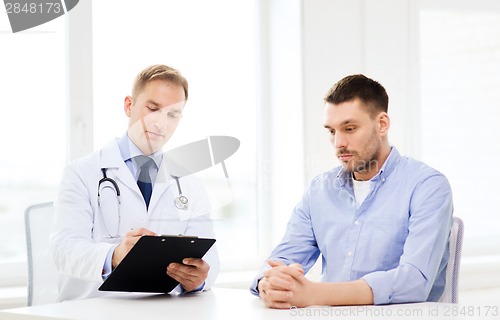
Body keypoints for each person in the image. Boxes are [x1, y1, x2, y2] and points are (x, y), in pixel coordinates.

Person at [250, 74, 453, 308]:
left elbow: (414, 280)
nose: (338, 143)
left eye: (349, 128)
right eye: (332, 131)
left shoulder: (427, 186)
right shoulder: (319, 190)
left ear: (382, 124)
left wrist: (316, 294)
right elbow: (284, 257)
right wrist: (268, 282)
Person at [50, 64, 219, 301]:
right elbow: (63, 251)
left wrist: (197, 279)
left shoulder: (189, 183)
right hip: (93, 310)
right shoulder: (81, 173)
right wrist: (115, 255)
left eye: (173, 114)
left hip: (162, 312)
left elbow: (210, 260)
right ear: (129, 106)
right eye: (153, 108)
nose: (162, 123)